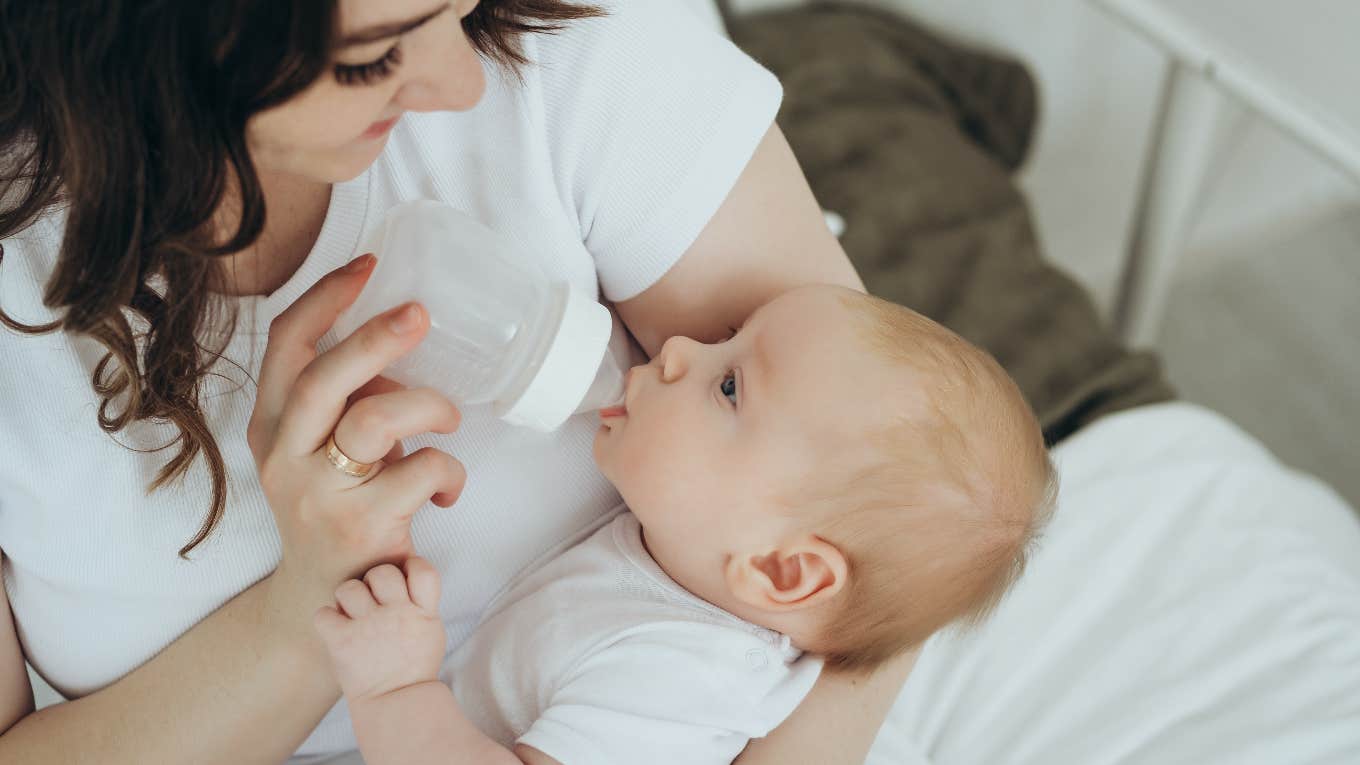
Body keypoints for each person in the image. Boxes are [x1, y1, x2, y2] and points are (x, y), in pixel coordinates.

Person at [0, 1, 915, 762]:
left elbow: (893, 539)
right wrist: (308, 605)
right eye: (373, 56)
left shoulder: (579, 59)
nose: (462, 84)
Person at [313, 284, 1057, 765]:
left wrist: (395, 690)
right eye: (727, 334)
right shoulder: (677, 557)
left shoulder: (675, 679)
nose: (677, 350)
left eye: (729, 385)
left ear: (781, 570)